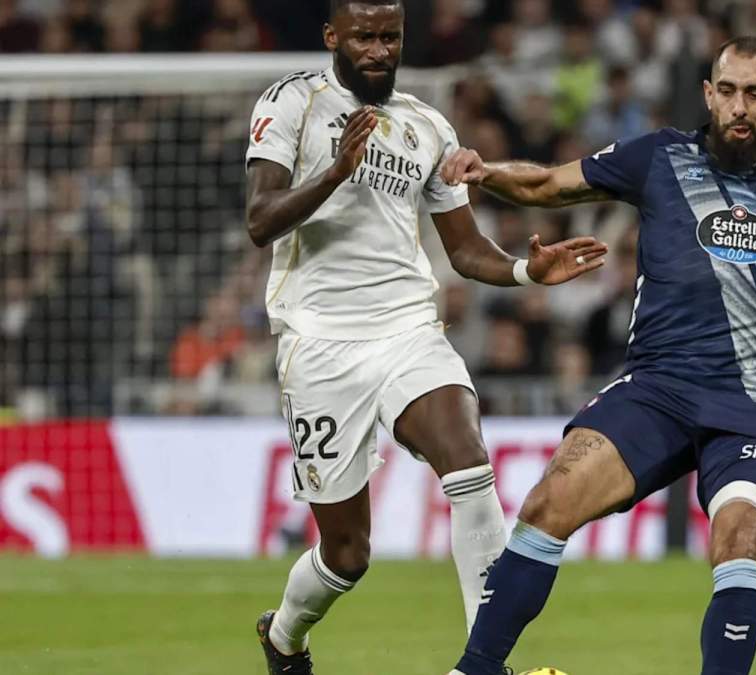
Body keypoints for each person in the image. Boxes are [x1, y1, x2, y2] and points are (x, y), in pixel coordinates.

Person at [441, 36, 756, 675]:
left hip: (755, 400)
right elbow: (549, 184)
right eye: (729, 90)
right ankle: (477, 669)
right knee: (549, 502)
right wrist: (487, 173)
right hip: (657, 387)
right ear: (709, 93)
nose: (740, 106)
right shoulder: (659, 156)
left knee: (739, 541)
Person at [243, 1, 607, 673]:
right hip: (318, 344)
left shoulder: (425, 126)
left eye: (391, 37)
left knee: (469, 463)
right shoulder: (291, 104)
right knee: (347, 556)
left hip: (407, 328)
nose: (380, 50)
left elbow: (466, 251)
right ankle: (284, 634)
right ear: (333, 38)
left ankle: (483, 661)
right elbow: (260, 220)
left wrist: (529, 268)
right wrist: (332, 173)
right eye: (365, 37)